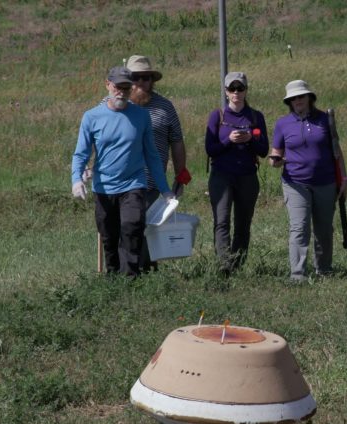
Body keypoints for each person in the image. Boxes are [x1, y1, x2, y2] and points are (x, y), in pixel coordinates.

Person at [71, 66, 173, 277]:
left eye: (126, 88)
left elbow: (152, 155)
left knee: (132, 225)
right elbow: (81, 153)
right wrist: (76, 180)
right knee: (109, 235)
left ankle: (130, 278)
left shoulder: (141, 116)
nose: (122, 93)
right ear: (107, 85)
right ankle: (113, 277)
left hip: (134, 183)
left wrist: (165, 189)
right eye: (118, 87)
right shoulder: (92, 117)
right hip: (104, 186)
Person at [269, 80, 347, 282]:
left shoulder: (325, 119)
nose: (297, 101)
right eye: (292, 98)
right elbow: (276, 153)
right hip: (295, 182)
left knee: (324, 228)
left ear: (309, 97)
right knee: (299, 227)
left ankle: (324, 269)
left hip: (326, 182)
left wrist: (344, 178)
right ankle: (298, 274)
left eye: (301, 96)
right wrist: (275, 161)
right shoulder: (282, 124)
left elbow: (337, 151)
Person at [125, 54, 191, 272]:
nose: (141, 83)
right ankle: (124, 274)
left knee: (149, 231)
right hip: (122, 182)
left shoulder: (165, 107)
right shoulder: (117, 106)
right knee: (127, 229)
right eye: (136, 78)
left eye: (146, 78)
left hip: (154, 182)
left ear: (152, 80)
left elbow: (177, 142)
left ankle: (147, 273)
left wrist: (180, 176)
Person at [204, 72, 269, 274]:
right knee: (222, 221)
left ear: (246, 90)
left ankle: (237, 266)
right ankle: (224, 267)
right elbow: (210, 149)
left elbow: (264, 150)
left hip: (247, 176)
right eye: (232, 89)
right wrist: (228, 140)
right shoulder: (218, 116)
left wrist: (249, 139)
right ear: (225, 92)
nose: (236, 93)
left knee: (243, 224)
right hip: (221, 176)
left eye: (240, 89)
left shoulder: (256, 117)